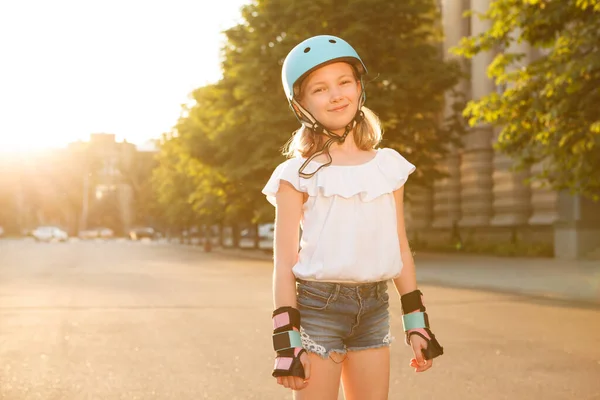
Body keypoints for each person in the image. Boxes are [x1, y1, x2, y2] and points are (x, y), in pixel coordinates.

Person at [262, 35, 444, 399]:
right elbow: (284, 263)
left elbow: (400, 248)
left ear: (360, 87)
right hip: (318, 309)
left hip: (374, 308)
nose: (336, 95)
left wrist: (416, 321)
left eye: (344, 81)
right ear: (301, 104)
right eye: (320, 88)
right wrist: (287, 342)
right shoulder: (296, 174)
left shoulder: (387, 166)